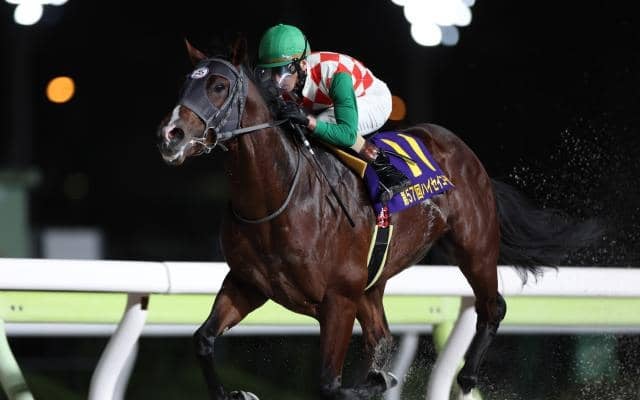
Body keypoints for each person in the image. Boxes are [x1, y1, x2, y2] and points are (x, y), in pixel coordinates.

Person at [255, 23, 410, 202]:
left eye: (282, 72)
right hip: (330, 103)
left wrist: (307, 120)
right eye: (271, 72)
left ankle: (387, 170)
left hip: (372, 99)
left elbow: (347, 134)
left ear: (302, 65)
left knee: (322, 123)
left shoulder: (335, 73)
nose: (276, 80)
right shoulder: (294, 75)